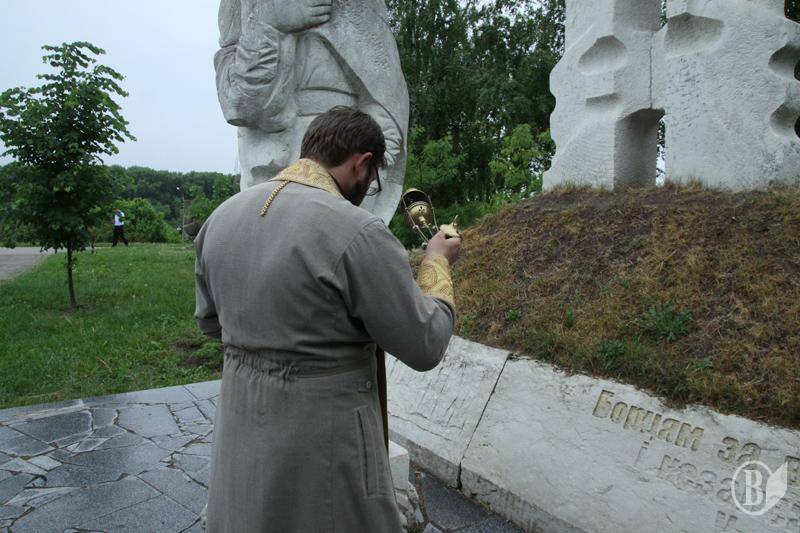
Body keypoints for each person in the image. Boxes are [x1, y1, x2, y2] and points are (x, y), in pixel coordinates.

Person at [194, 106, 461, 532]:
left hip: (239, 425)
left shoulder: (220, 218)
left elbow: (210, 322)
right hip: (323, 440)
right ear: (363, 163)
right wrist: (437, 263)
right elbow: (425, 343)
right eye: (373, 180)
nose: (369, 189)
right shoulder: (358, 231)